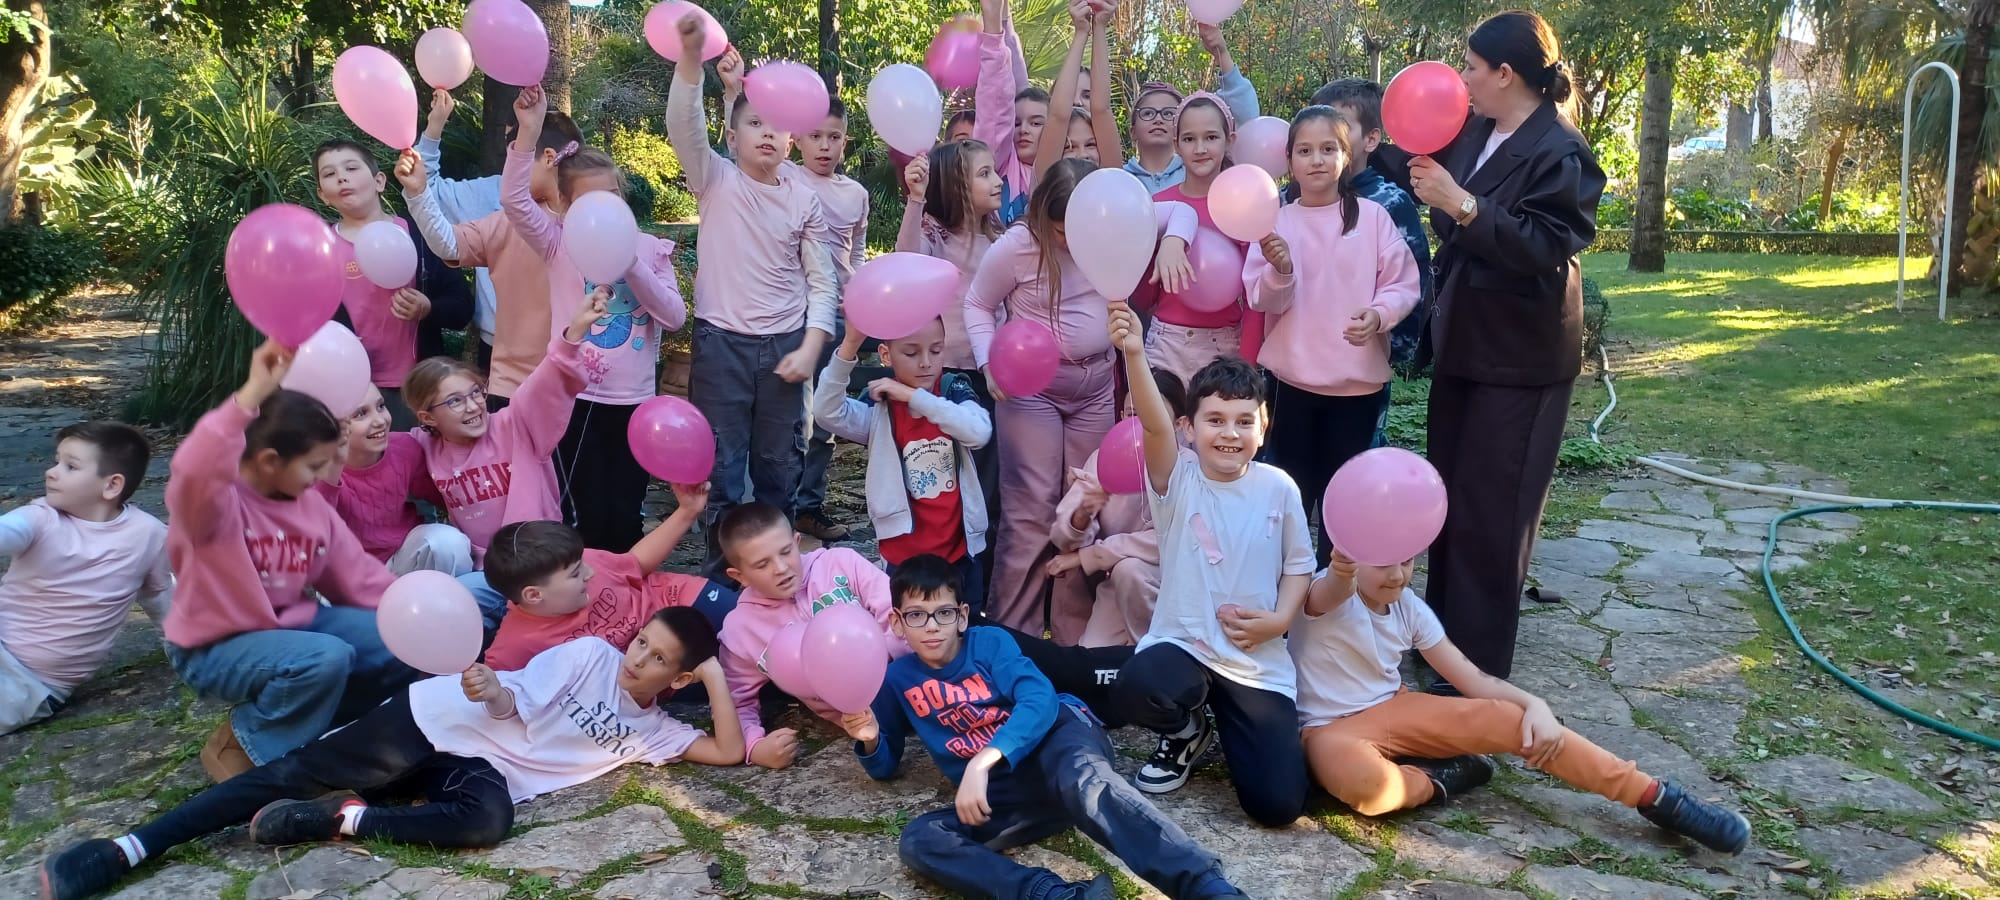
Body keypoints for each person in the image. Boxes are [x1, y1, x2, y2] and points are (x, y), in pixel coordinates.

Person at [37, 608, 744, 900]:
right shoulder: (590, 654)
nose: (638, 658)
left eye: (659, 659)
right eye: (641, 641)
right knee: (287, 774)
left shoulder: (656, 731)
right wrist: (495, 691)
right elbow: (512, 705)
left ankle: (339, 820)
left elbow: (728, 749)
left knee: (486, 823)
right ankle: (128, 847)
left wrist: (713, 676)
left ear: (678, 678)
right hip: (441, 717)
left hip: (482, 769)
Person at [839, 555, 1250, 900]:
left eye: (943, 613)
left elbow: (1040, 700)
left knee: (1086, 781)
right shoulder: (897, 680)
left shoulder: (989, 643)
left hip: (1060, 741)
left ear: (961, 616)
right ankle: (1053, 895)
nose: (931, 626)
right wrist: (870, 740)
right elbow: (885, 764)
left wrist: (982, 761)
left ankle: (1205, 887)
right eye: (916, 615)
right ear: (897, 622)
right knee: (921, 838)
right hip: (1012, 797)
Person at [1400, 10, 1606, 686]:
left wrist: (1463, 205)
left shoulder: (1562, 151)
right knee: (1450, 498)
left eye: (1471, 67)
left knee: (1496, 509)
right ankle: (1440, 643)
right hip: (1464, 339)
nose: (1462, 79)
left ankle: (1477, 666)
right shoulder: (1474, 132)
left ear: (1506, 73)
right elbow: (1439, 196)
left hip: (1520, 356)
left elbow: (1544, 245)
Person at [1293, 548, 1751, 854]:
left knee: (1515, 721)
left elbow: (1471, 677)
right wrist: (1342, 570)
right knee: (1372, 790)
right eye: (1382, 563)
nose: (1397, 574)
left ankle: (1658, 798)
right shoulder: (1329, 590)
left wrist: (1536, 706)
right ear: (1351, 559)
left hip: (1396, 709)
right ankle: (1441, 777)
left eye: (1407, 560)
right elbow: (1327, 593)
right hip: (1329, 729)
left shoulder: (1409, 607)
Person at [963, 158, 1196, 641]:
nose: (1070, 241)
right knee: (1031, 509)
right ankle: (1014, 634)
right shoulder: (1017, 247)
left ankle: (1074, 635)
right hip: (1032, 390)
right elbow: (978, 304)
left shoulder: (1116, 221)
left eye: (1077, 230)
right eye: (1059, 231)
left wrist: (1174, 241)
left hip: (1095, 387)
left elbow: (1182, 211)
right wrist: (988, 362)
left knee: (1086, 503)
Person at [163, 342, 414, 782]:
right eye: (314, 466)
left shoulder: (309, 506)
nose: (321, 477)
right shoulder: (213, 505)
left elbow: (359, 580)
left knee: (401, 642)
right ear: (269, 461)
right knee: (325, 658)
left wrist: (418, 620)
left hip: (291, 628)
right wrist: (250, 395)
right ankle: (249, 744)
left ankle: (316, 728)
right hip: (212, 647)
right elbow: (195, 468)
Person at [1104, 305, 1313, 827]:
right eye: (1215, 420)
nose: (1229, 433)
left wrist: (1280, 620)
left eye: (1244, 421)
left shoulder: (1279, 487)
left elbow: (1298, 566)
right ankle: (1186, 731)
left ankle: (1239, 724)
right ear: (1188, 427)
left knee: (1277, 806)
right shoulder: (1179, 479)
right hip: (1187, 646)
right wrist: (1135, 353)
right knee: (1136, 684)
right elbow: (1153, 426)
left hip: (1254, 660)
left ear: (1263, 427)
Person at [456, 84, 685, 553]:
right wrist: (528, 132)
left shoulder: (648, 249)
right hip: (574, 401)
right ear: (563, 205)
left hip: (634, 405)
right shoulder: (556, 243)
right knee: (579, 511)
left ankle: (624, 586)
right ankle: (581, 586)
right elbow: (514, 200)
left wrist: (631, 261)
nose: (605, 210)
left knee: (625, 512)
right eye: (589, 201)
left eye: (612, 197)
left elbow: (674, 317)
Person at [664, 17, 841, 575]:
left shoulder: (803, 200)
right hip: (721, 347)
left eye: (777, 125)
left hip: (785, 348)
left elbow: (822, 282)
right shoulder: (715, 179)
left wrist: (811, 346)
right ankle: (723, 582)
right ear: (733, 134)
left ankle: (779, 577)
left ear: (792, 138)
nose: (766, 133)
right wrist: (690, 60)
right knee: (721, 472)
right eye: (754, 123)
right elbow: (684, 127)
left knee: (779, 470)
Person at [1244, 106, 1421, 567]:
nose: (1317, 160)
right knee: (1289, 496)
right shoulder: (1275, 222)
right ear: (1289, 160)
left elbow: (1403, 283)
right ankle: (1285, 591)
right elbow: (1260, 297)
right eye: (1305, 151)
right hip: (1290, 386)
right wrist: (1282, 270)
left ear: (1347, 156)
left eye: (1328, 149)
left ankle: (1335, 592)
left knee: (1345, 502)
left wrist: (1379, 315)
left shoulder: (1373, 218)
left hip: (1356, 389)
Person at [402, 97, 587, 411]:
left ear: (547, 157)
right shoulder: (503, 218)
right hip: (510, 377)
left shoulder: (592, 215)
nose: (511, 165)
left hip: (580, 377)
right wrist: (418, 192)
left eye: (520, 154)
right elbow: (448, 242)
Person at [402, 291, 601, 578]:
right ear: (428, 417)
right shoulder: (423, 445)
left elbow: (544, 383)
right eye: (455, 401)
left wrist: (573, 335)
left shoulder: (517, 425)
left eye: (476, 392)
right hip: (483, 571)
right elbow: (380, 453)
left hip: (538, 563)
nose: (473, 406)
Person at [0, 421, 170, 735]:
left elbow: (161, 597)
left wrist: (189, 653)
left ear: (111, 485)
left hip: (31, 686)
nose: (51, 472)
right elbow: (8, 531)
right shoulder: (40, 517)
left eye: (70, 466)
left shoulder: (148, 535)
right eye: (56, 462)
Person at [812, 320, 992, 614]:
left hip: (960, 553)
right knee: (907, 628)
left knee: (966, 627)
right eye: (911, 353)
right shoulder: (878, 406)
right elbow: (826, 413)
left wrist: (914, 397)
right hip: (903, 557)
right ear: (885, 355)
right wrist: (850, 345)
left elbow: (978, 432)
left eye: (936, 350)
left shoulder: (953, 390)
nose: (926, 362)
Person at [712, 502, 905, 770]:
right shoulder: (741, 629)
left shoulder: (841, 563)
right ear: (739, 576)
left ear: (797, 542)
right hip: (860, 724)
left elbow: (900, 615)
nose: (780, 568)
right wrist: (754, 747)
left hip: (912, 687)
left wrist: (883, 663)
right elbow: (734, 702)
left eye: (786, 552)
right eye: (762, 564)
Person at [897, 140, 1008, 579]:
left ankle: (978, 580)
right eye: (984, 173)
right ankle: (936, 578)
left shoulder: (1002, 240)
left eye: (994, 170)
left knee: (986, 486)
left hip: (988, 379)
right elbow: (905, 264)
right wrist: (915, 199)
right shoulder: (934, 236)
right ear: (954, 185)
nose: (998, 180)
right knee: (942, 486)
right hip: (941, 381)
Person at [477, 488, 737, 674]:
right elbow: (498, 694)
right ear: (534, 595)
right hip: (654, 668)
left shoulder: (581, 560)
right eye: (575, 574)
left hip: (678, 601)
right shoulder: (513, 647)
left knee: (751, 623)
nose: (590, 572)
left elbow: (636, 563)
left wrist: (687, 511)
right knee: (734, 679)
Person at [312, 140, 472, 430]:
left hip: (422, 386)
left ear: (379, 181)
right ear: (323, 195)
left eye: (351, 168)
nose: (342, 178)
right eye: (329, 174)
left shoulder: (419, 236)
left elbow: (462, 307)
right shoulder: (319, 251)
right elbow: (310, 322)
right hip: (355, 391)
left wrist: (428, 309)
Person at [1300, 78, 1433, 374]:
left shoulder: (1390, 203)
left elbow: (1413, 278)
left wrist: (1391, 349)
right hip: (1297, 359)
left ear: (1371, 139)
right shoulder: (1290, 200)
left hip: (1363, 361)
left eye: (1340, 127)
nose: (1327, 138)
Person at [1045, 369, 1183, 648]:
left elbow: (1170, 540)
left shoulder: (1188, 468)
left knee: (1129, 570)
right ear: (1120, 416)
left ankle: (1156, 652)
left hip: (1176, 586)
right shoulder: (1103, 459)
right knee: (1093, 655)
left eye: (1153, 416)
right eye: (1132, 414)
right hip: (1117, 587)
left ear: (1180, 424)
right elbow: (1062, 539)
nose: (1141, 426)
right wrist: (1082, 515)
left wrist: (1088, 557)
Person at [1129, 93, 1255, 384]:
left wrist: (1247, 366)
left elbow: (1254, 298)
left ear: (1230, 140)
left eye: (1211, 137)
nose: (1200, 148)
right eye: (1189, 139)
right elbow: (1144, 296)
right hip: (1165, 342)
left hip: (1224, 347)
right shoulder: (1156, 205)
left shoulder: (1243, 210)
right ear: (1176, 144)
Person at [315, 385, 473, 576]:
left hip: (404, 554)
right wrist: (333, 468)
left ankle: (457, 590)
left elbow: (445, 498)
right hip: (352, 571)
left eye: (381, 406)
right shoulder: (314, 467)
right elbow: (317, 528)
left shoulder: (403, 448)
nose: (380, 420)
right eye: (361, 414)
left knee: (448, 542)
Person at [1122, 24, 1261, 193]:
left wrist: (1222, 55)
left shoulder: (1203, 169)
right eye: (1148, 113)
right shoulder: (1120, 179)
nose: (1158, 119)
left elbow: (1246, 117)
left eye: (1168, 113)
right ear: (1132, 130)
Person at [975, 0, 1048, 224]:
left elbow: (1019, 88)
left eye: (1036, 123)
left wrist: (1004, 23)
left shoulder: (1061, 171)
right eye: (1016, 123)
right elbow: (997, 103)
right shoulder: (1002, 163)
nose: (1023, 130)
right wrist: (997, 23)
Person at [1034, 0, 1118, 176]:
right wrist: (1081, 32)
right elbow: (1058, 115)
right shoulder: (1047, 180)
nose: (1082, 155)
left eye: (1091, 144)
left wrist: (1100, 25)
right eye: (1068, 147)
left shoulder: (1111, 177)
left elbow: (1101, 109)